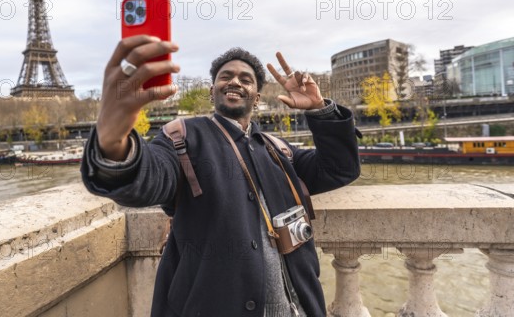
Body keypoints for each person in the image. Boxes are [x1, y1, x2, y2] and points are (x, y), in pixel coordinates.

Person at [81, 35, 361, 317]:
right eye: (225, 76)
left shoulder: (278, 150)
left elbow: (340, 169)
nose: (235, 82)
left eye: (246, 79)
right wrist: (112, 139)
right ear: (212, 91)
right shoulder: (182, 138)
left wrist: (320, 110)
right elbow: (148, 179)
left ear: (257, 96)